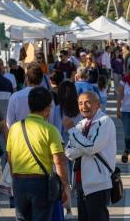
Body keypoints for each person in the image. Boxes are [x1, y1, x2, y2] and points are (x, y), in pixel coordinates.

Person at [6, 87, 69, 220]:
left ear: (30, 105)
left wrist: (14, 179)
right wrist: (64, 186)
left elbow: (10, 157)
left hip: (19, 181)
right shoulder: (50, 130)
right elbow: (59, 161)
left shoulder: (14, 128)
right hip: (40, 183)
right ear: (47, 108)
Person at [64, 91, 117, 221]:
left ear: (98, 104)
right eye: (80, 103)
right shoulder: (80, 125)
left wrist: (73, 132)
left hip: (97, 183)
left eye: (88, 102)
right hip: (80, 184)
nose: (84, 106)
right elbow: (69, 152)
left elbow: (91, 148)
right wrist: (85, 147)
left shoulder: (105, 122)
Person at [53, 81, 83, 219]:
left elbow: (52, 127)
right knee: (74, 177)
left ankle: (68, 208)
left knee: (63, 179)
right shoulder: (79, 110)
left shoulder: (57, 109)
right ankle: (77, 201)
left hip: (60, 148)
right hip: (76, 148)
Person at [6, 62, 56, 127]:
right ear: (41, 79)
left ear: (26, 78)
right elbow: (51, 122)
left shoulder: (15, 97)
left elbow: (9, 123)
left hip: (20, 135)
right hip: (41, 135)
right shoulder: (49, 97)